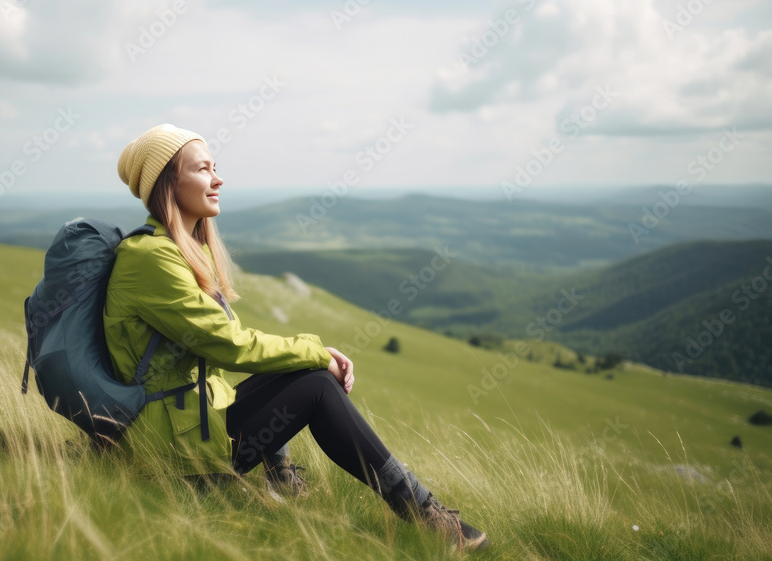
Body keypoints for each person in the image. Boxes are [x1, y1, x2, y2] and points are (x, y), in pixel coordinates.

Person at [103, 123, 489, 552]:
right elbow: (230, 346)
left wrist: (311, 354)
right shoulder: (151, 259)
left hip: (191, 424)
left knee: (306, 369)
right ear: (167, 183)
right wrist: (316, 351)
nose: (218, 179)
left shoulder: (179, 249)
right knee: (319, 387)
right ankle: (426, 515)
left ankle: (285, 482)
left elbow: (226, 349)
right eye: (202, 169)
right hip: (173, 451)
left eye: (216, 167)